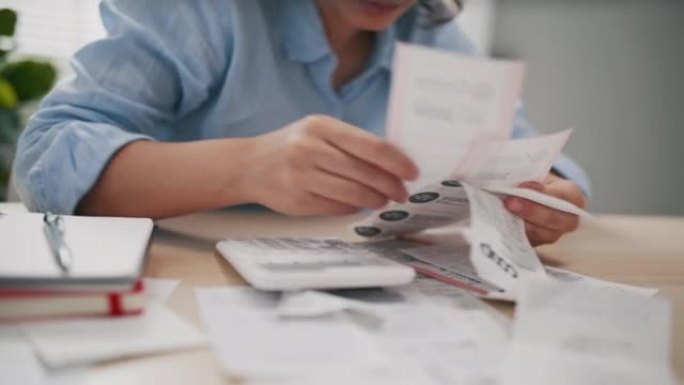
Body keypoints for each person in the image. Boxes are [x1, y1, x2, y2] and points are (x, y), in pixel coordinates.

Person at [14, 0, 590, 246]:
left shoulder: (430, 31)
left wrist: (547, 197)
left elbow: (531, 157)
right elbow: (47, 155)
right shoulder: (201, 12)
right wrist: (244, 167)